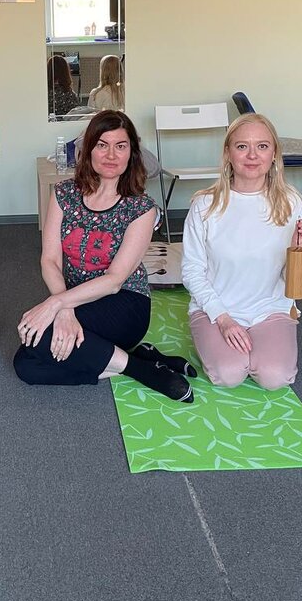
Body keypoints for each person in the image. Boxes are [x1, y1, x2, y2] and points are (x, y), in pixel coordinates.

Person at [14, 110, 196, 402]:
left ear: (131, 153)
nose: (111, 155)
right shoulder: (63, 194)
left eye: (120, 146)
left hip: (125, 304)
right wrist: (65, 308)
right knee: (26, 365)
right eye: (102, 145)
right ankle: (137, 362)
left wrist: (56, 304)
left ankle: (142, 370)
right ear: (89, 150)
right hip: (77, 298)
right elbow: (50, 260)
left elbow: (114, 280)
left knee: (39, 341)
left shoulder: (141, 208)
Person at [182, 113, 302, 389]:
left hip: (270, 309)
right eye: (242, 146)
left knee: (274, 378)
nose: (252, 155)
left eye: (262, 146)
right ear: (228, 153)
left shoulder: (292, 202)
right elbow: (192, 270)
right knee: (229, 374)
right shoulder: (204, 205)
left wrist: (298, 251)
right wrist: (223, 320)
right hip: (217, 309)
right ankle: (209, 335)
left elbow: (295, 284)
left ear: (274, 154)